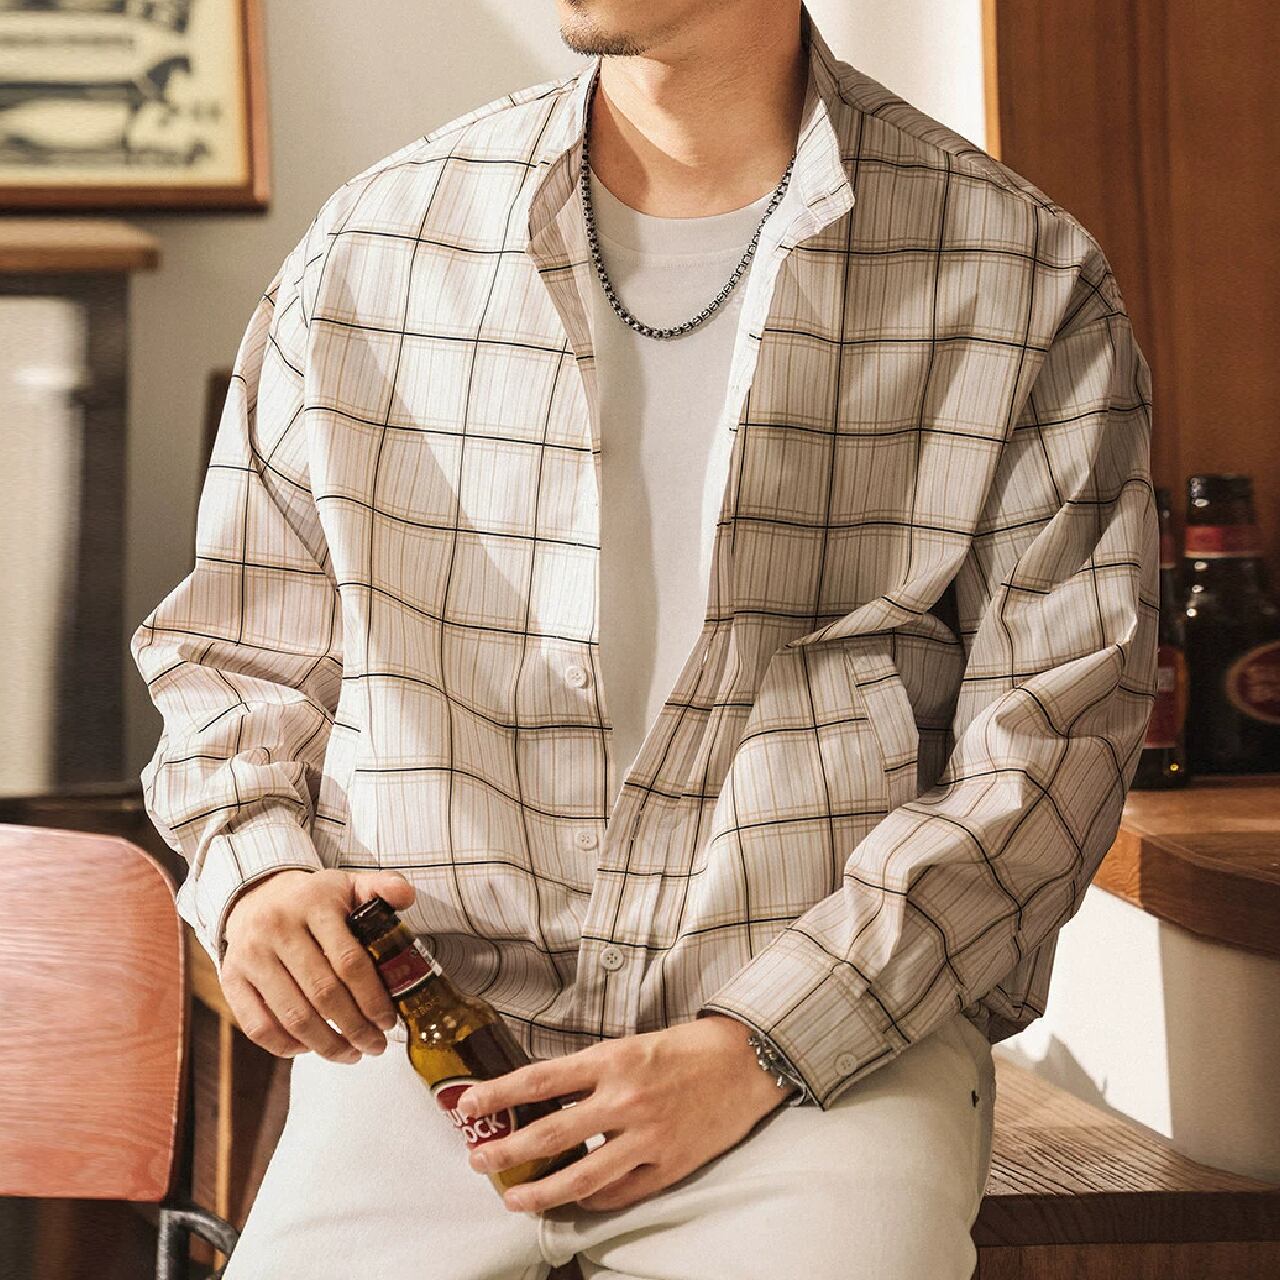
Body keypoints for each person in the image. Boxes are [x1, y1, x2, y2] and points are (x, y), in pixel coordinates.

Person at [130, 1, 1158, 1276]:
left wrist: (759, 1043)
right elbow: (233, 649)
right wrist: (260, 871)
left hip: (816, 1059)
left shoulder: (1019, 274)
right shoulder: (375, 243)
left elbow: (1051, 745)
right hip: (422, 1039)